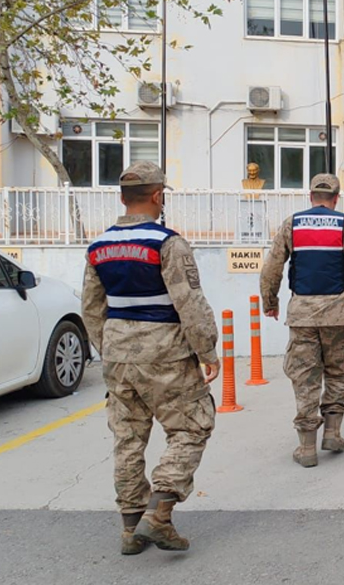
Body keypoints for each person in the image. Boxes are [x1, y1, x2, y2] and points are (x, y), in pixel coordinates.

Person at [81, 161, 219, 555]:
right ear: (158, 196)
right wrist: (207, 350)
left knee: (127, 437)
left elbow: (91, 308)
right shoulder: (167, 243)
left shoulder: (99, 248)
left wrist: (109, 349)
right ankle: (158, 514)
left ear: (122, 198)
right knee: (192, 427)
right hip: (166, 353)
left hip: (118, 354)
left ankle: (130, 528)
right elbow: (189, 303)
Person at [260, 173, 344, 468]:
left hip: (302, 314)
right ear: (336, 198)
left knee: (305, 377)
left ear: (310, 196)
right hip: (338, 314)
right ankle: (333, 434)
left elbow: (272, 267)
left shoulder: (292, 224)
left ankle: (306, 448)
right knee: (337, 373)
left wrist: (270, 301)